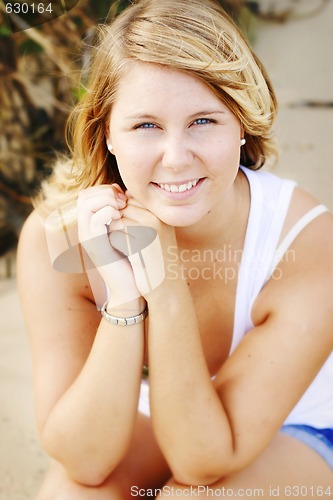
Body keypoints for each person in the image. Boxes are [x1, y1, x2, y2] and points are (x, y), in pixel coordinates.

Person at [17, 0, 333, 498]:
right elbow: (85, 459)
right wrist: (124, 299)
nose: (177, 158)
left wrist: (164, 286)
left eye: (203, 121)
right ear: (108, 135)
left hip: (297, 423)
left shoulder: (306, 243)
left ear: (241, 122)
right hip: (160, 409)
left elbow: (202, 462)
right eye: (146, 125)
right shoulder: (56, 239)